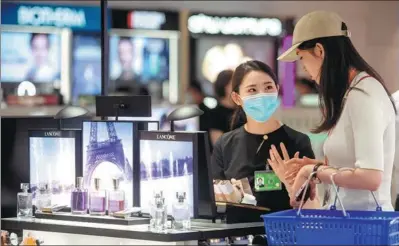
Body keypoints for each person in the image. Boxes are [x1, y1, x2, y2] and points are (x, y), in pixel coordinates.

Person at [269, 10, 397, 211]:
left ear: (319, 51)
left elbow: (371, 177)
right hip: (348, 223)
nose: (305, 71)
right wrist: (316, 167)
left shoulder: (363, 94)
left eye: (302, 58)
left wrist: (314, 171)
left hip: (366, 228)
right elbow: (355, 165)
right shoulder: (350, 93)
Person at [211, 60, 316, 211]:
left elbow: (309, 205)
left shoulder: (298, 142)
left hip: (283, 231)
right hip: (238, 232)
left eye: (268, 87)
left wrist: (291, 185)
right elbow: (216, 201)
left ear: (277, 90)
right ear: (237, 98)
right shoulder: (226, 144)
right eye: (252, 90)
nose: (262, 95)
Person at [208, 70, 237, 145]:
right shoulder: (216, 114)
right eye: (233, 84)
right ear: (225, 86)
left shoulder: (242, 111)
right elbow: (218, 144)